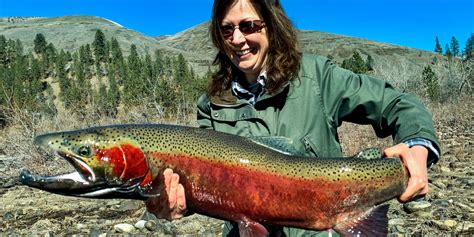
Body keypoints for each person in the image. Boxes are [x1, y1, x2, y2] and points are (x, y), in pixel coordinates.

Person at [150, 0, 440, 236]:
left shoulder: (318, 77)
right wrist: (176, 204)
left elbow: (399, 104)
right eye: (227, 30)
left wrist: (418, 148)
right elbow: (208, 187)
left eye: (249, 26)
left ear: (271, 27)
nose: (238, 39)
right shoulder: (210, 105)